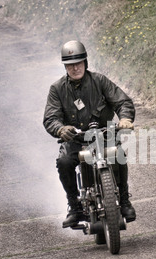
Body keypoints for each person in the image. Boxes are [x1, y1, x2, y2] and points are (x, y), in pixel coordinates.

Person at [43, 40, 137, 228]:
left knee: (118, 155)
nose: (75, 68)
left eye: (78, 63)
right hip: (76, 138)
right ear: (65, 66)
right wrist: (61, 129)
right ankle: (74, 207)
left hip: (104, 134)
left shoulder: (100, 81)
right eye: (70, 65)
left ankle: (125, 201)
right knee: (64, 162)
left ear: (85, 62)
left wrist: (125, 118)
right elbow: (50, 117)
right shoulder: (57, 89)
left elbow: (122, 101)